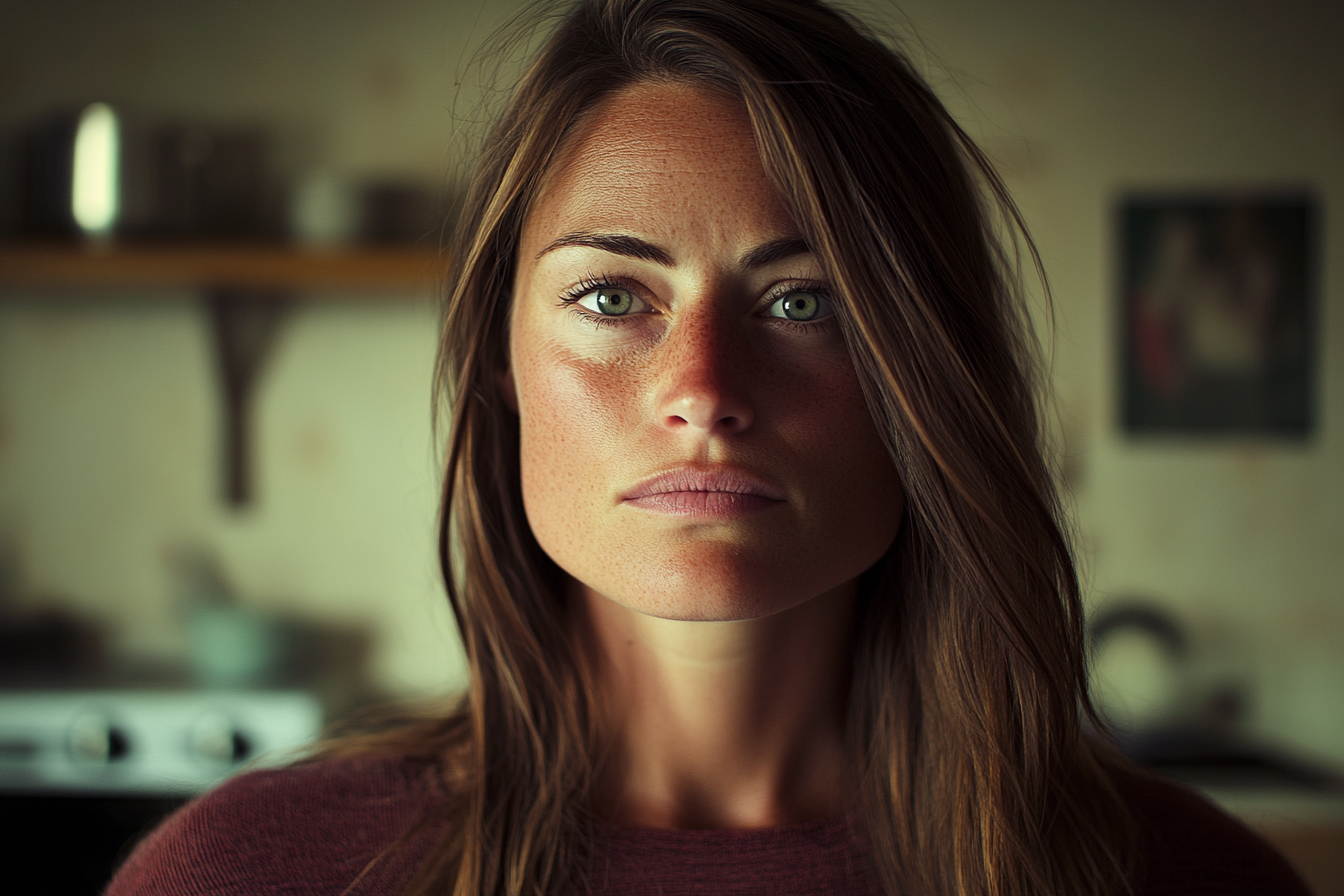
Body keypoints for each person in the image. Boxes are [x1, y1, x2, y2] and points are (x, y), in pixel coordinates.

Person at [107, 1, 1310, 894]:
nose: (703, 392)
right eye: (612, 298)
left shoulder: (1187, 874)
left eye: (805, 302)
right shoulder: (243, 873)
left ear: (929, 376)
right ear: (497, 361)